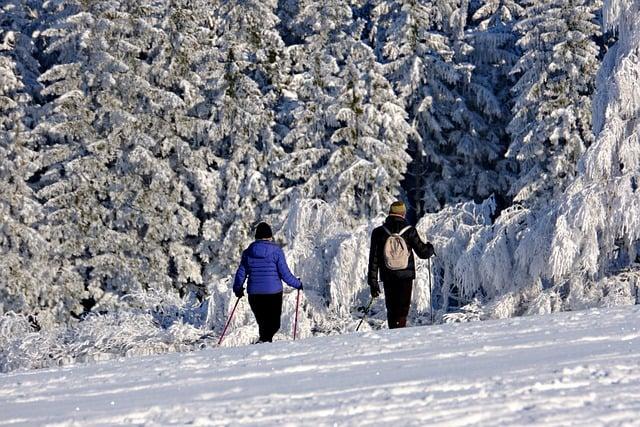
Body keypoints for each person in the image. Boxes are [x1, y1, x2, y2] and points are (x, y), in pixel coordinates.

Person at [367, 201, 434, 329]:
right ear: (403, 214)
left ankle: (393, 332)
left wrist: (373, 282)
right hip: (405, 275)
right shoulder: (410, 231)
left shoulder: (378, 232)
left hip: (388, 275)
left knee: (392, 310)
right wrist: (430, 248)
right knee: (402, 310)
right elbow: (423, 253)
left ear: (390, 213)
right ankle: (400, 333)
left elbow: (373, 260)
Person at [233, 222, 302, 343]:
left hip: (254, 295)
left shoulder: (248, 252)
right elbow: (285, 274)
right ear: (270, 236)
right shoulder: (276, 251)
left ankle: (262, 347)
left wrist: (237, 289)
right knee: (273, 325)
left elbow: (241, 273)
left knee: (264, 325)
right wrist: (298, 284)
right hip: (273, 294)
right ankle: (263, 347)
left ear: (256, 237)